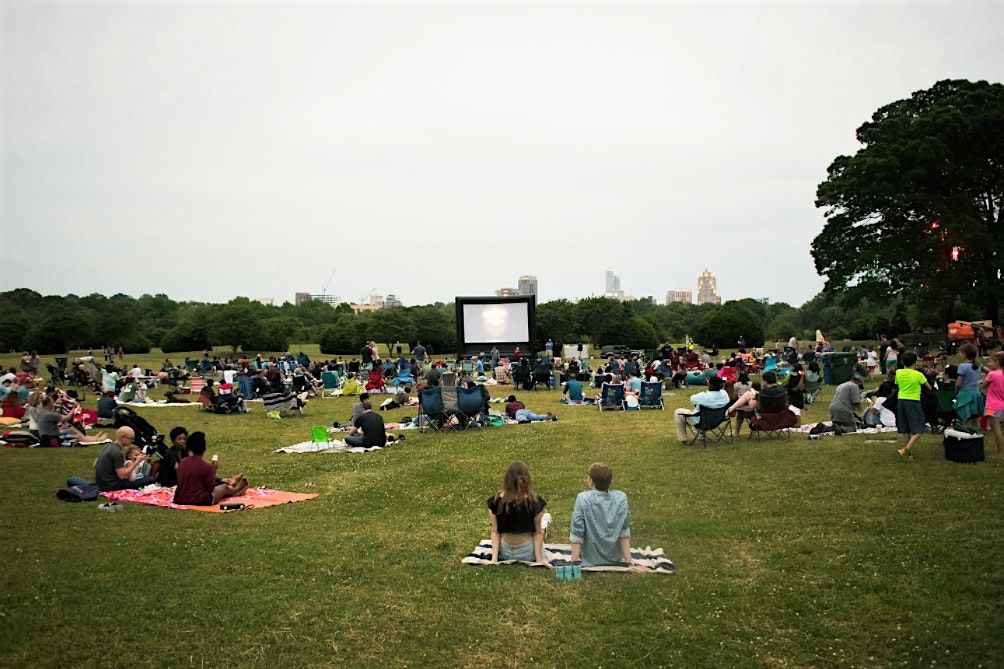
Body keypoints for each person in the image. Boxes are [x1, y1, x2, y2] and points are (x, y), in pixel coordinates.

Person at [569, 463, 639, 569]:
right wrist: (629, 562)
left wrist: (573, 564)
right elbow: (624, 532)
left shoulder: (583, 498)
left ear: (591, 481)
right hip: (615, 558)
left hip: (590, 559)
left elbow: (577, 533)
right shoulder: (621, 498)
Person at [486, 461, 549, 563]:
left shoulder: (495, 501)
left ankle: (545, 523)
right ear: (527, 479)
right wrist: (539, 559)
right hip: (527, 553)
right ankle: (546, 523)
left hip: (505, 553)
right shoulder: (534, 502)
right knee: (541, 530)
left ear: (506, 479)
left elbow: (495, 531)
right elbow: (537, 534)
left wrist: (494, 559)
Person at [173, 432, 248, 505]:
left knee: (220, 487)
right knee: (223, 487)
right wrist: (213, 470)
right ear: (204, 449)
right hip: (200, 500)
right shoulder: (206, 466)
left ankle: (231, 487)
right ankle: (237, 489)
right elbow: (211, 488)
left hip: (180, 498)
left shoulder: (183, 462)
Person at [896, 352, 933, 461]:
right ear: (915, 362)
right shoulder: (918, 375)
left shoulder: (898, 373)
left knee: (906, 428)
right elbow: (929, 387)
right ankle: (906, 449)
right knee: (919, 428)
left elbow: (897, 383)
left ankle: (909, 456)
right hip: (913, 402)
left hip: (901, 400)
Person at [94, 427, 157, 491]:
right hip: (112, 486)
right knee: (151, 479)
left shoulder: (107, 446)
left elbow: (95, 464)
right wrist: (137, 461)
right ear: (122, 437)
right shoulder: (117, 452)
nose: (133, 441)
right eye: (131, 438)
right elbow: (122, 475)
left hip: (100, 484)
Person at [674, 376, 730, 442]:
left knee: (678, 412)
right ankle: (700, 434)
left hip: (702, 421)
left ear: (710, 384)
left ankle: (683, 439)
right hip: (718, 420)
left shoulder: (704, 396)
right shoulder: (724, 393)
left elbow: (692, 398)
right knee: (697, 412)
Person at [954, 344, 985, 430]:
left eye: (960, 353)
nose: (960, 355)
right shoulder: (979, 365)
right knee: (975, 418)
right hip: (976, 393)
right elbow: (989, 372)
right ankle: (977, 438)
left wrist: (956, 392)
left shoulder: (962, 366)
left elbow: (958, 383)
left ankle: (967, 438)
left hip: (966, 394)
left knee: (966, 417)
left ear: (965, 354)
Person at [981, 352, 1004, 460]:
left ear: (997, 362)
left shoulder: (992, 374)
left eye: (991, 361)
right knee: (996, 427)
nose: (989, 364)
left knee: (996, 429)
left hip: (991, 405)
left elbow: (983, 386)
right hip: (1000, 404)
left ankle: (1001, 452)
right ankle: (998, 449)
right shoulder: (1002, 373)